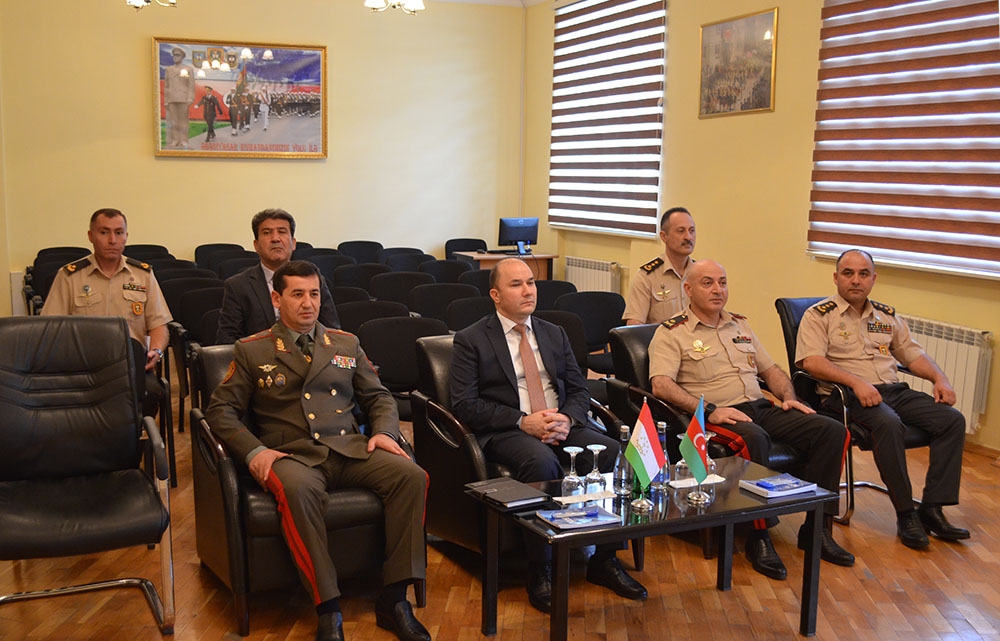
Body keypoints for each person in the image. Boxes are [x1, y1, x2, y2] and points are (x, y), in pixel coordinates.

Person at [206, 260, 430, 641]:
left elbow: (379, 397)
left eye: (314, 294)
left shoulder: (345, 343)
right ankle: (328, 609)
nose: (308, 303)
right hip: (291, 454)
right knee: (299, 491)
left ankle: (394, 599)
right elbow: (220, 411)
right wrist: (254, 451)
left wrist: (384, 432)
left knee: (411, 475)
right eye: (297, 294)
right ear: (276, 299)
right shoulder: (253, 350)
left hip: (348, 447)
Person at [450, 257, 647, 613]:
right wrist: (522, 421)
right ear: (495, 295)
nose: (528, 291)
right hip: (509, 429)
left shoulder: (554, 333)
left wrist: (567, 419)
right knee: (540, 462)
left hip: (561, 422)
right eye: (516, 284)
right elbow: (465, 404)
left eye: (531, 282)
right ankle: (540, 567)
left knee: (616, 454)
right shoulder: (471, 339)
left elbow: (579, 389)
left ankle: (604, 559)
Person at [648, 259, 854, 579]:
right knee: (753, 438)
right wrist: (710, 408)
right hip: (716, 415)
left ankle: (817, 528)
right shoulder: (672, 332)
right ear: (688, 289)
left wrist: (789, 397)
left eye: (722, 282)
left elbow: (770, 370)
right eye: (707, 283)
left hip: (759, 407)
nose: (717, 289)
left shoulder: (740, 325)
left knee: (832, 430)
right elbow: (661, 384)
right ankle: (759, 535)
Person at [795, 249, 970, 549]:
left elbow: (912, 355)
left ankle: (932, 509)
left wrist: (940, 379)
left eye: (863, 274)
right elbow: (811, 362)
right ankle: (906, 513)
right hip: (845, 395)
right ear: (836, 277)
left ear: (873, 279)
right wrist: (856, 382)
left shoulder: (886, 316)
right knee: (888, 424)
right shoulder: (819, 315)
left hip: (891, 390)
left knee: (951, 420)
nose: (856, 280)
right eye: (848, 273)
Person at [41, 208, 171, 416]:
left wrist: (156, 351)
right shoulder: (69, 277)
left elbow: (159, 325)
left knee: (152, 392)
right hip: (84, 367)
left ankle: (136, 436)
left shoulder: (143, 275)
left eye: (119, 233)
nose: (112, 240)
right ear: (90, 236)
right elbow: (51, 329)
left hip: (131, 366)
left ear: (126, 236)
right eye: (104, 232)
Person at [216, 208, 339, 344]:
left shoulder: (314, 280)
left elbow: (332, 330)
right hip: (260, 355)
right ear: (256, 245)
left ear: (293, 243)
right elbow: (227, 339)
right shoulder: (238, 285)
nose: (275, 239)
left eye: (282, 231)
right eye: (267, 233)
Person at [624, 206, 696, 325]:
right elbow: (634, 326)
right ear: (664, 236)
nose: (688, 237)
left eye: (692, 231)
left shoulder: (700, 274)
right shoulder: (646, 277)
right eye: (681, 231)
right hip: (662, 337)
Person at [163, 46, 195, 149]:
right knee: (174, 121)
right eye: (174, 55)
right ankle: (175, 140)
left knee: (183, 121)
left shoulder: (188, 69)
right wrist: (166, 100)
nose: (175, 57)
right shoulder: (169, 70)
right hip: (172, 98)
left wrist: (190, 98)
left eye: (177, 55)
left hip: (183, 98)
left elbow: (191, 85)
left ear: (182, 57)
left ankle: (183, 140)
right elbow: (167, 86)